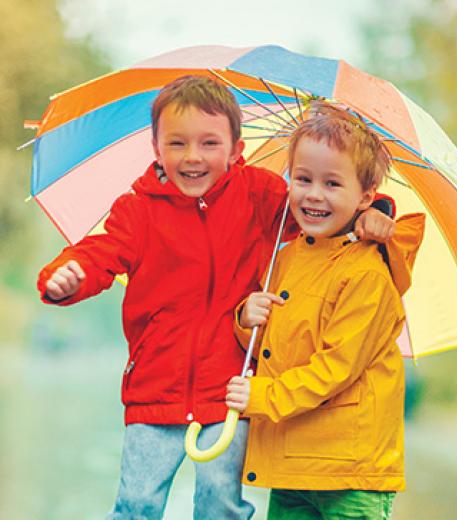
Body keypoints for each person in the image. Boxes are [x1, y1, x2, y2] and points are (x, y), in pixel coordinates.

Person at [37, 77, 398, 520]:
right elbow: (101, 253)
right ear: (156, 149)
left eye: (209, 143)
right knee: (137, 504)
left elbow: (321, 210)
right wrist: (68, 275)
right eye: (177, 143)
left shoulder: (262, 195)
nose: (193, 156)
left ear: (234, 148)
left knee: (221, 504)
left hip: (231, 389)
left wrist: (377, 211)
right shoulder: (138, 210)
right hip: (156, 386)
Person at [227, 103, 425, 519]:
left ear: (366, 197)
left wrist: (263, 395)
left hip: (347, 466)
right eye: (303, 179)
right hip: (291, 460)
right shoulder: (287, 257)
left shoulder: (368, 271)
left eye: (332, 183)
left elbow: (337, 367)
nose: (313, 194)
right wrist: (247, 319)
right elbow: (274, 346)